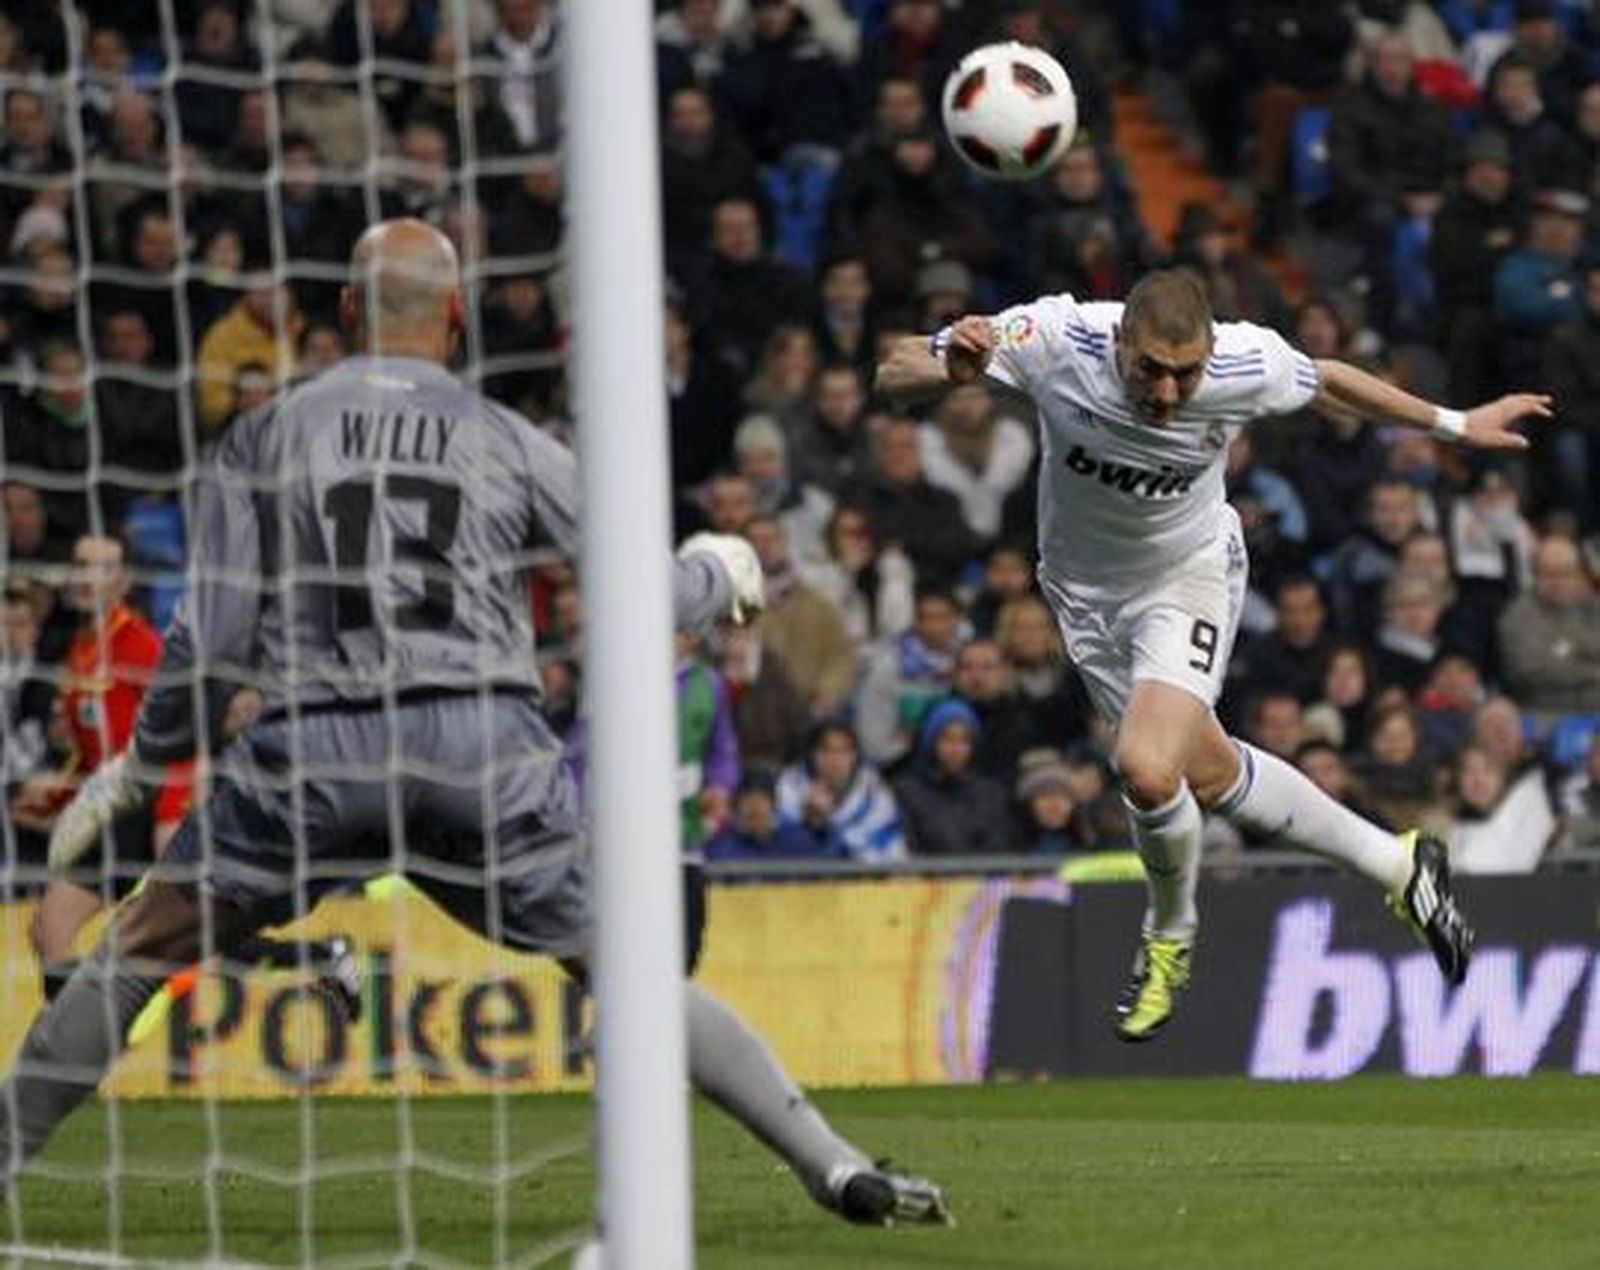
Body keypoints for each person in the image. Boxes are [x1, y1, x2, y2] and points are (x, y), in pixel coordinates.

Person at [0, 220, 949, 1228]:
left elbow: (213, 638)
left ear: (345, 311)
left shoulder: (267, 434)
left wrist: (142, 769)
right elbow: (644, 591)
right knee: (628, 971)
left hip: (317, 748)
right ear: (456, 318)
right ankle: (833, 1164)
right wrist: (720, 571)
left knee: (138, 947)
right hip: (481, 752)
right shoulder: (508, 438)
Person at [876, 267, 1545, 1041]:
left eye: (1185, 374)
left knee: (1145, 766)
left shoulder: (1244, 361)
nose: (1167, 393)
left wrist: (1457, 424)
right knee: (1209, 773)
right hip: (1083, 597)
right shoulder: (1055, 337)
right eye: (1150, 370)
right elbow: (894, 370)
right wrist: (954, 369)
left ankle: (1169, 935)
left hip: (1186, 577)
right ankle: (1399, 866)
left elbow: (1330, 380)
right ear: (1119, 341)